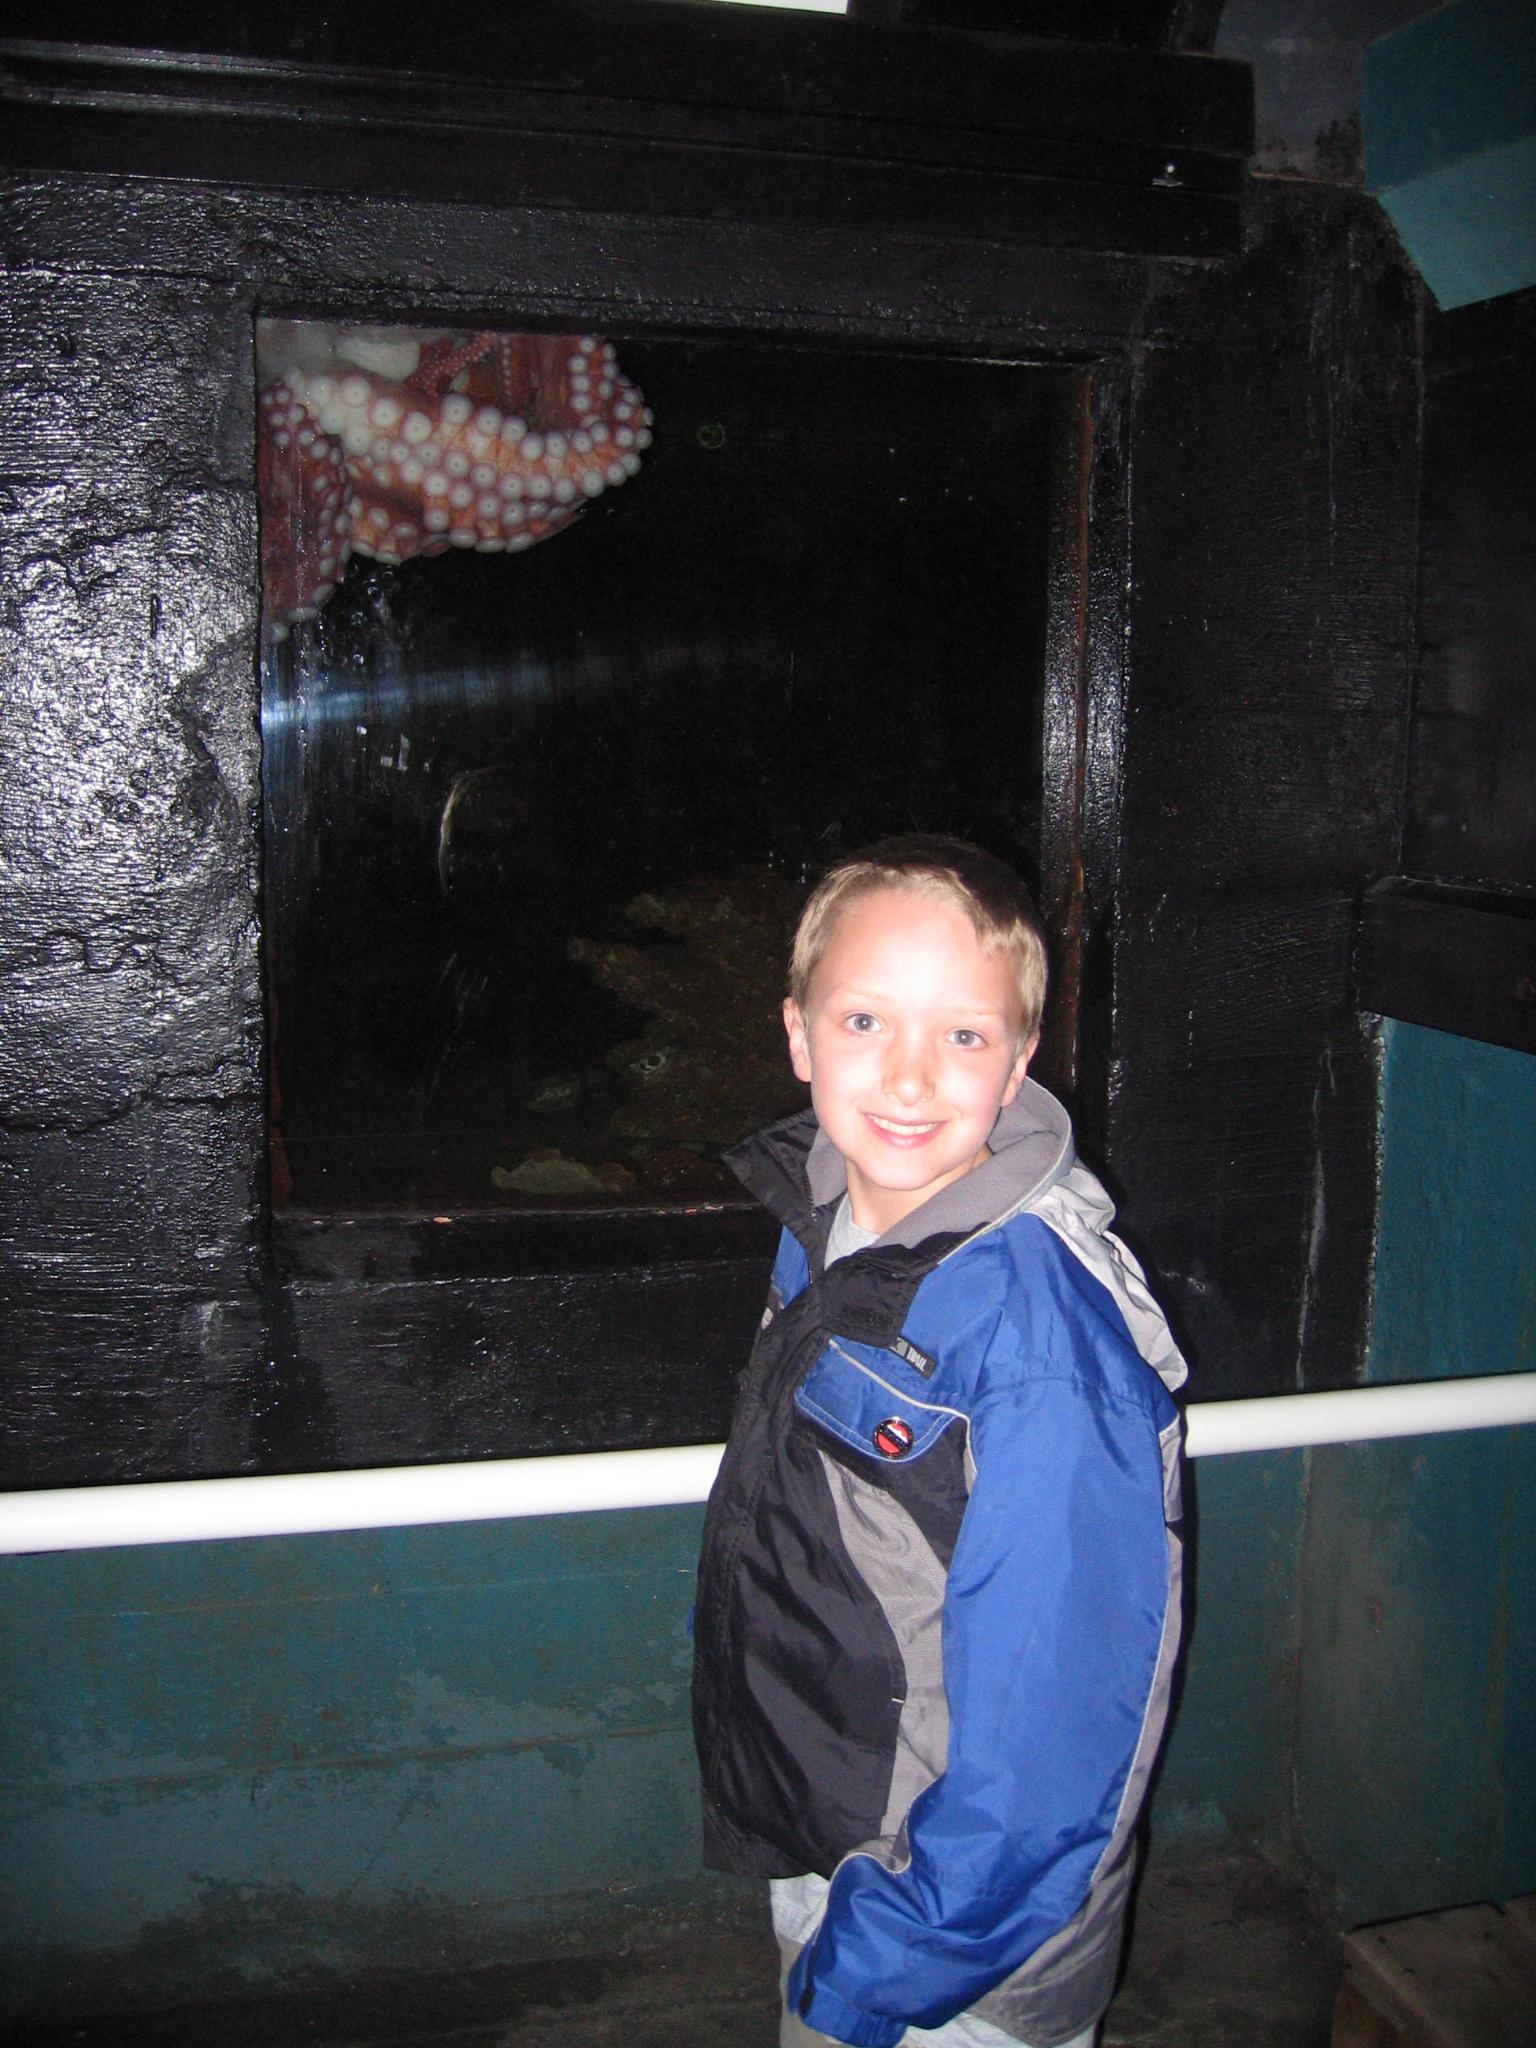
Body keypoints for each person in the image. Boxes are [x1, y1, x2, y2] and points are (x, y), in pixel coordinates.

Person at [691, 836, 1188, 2048]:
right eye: (866, 1019)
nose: (911, 1076)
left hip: (960, 1938)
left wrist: (895, 1955)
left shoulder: (1038, 1340)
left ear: (1017, 1062)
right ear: (800, 1033)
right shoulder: (837, 1224)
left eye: (963, 1034)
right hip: (839, 1832)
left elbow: (1058, 1731)